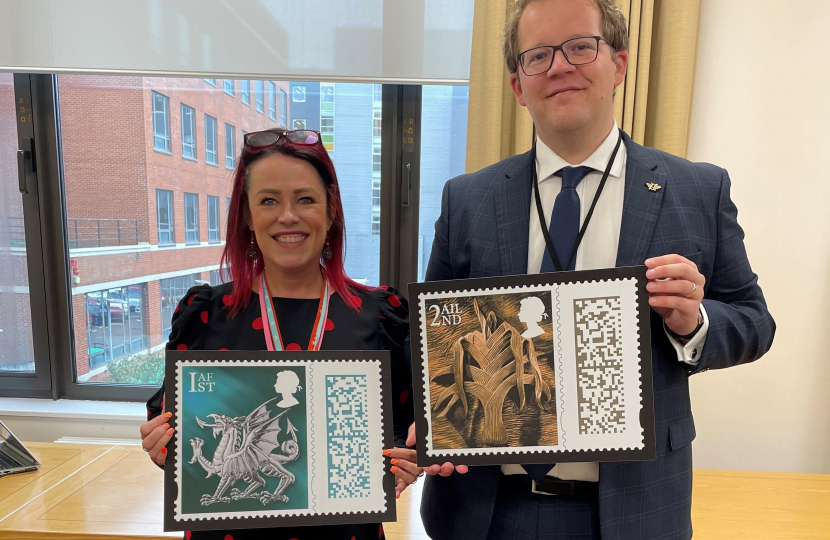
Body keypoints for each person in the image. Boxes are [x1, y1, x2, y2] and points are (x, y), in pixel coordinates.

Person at [417, 0, 776, 539]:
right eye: (538, 55)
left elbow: (755, 323)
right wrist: (429, 416)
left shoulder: (698, 190)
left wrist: (695, 322)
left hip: (635, 511)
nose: (560, 67)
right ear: (517, 85)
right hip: (483, 510)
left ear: (620, 64)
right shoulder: (467, 198)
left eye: (581, 47)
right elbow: (428, 343)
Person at [139, 128, 422, 540]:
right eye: (268, 200)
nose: (288, 216)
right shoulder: (205, 315)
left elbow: (404, 431)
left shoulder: (381, 316)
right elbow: (170, 430)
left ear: (330, 212)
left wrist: (406, 459)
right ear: (248, 217)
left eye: (305, 199)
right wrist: (162, 445)